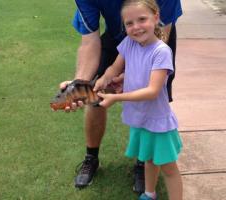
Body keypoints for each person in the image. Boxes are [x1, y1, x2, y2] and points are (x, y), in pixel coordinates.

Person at [60, 0, 182, 192]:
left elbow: (160, 32)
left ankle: (144, 162)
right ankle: (91, 157)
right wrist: (80, 84)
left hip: (155, 35)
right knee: (95, 96)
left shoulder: (159, 47)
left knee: (153, 101)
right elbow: (90, 42)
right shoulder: (125, 36)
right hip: (121, 35)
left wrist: (138, 72)